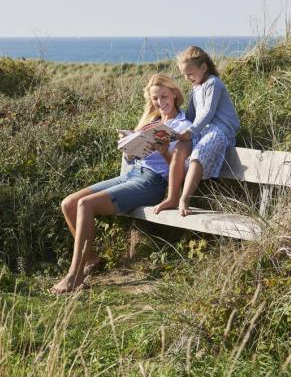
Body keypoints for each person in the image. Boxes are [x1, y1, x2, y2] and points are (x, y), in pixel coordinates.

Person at [51, 74, 192, 294]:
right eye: (155, 98)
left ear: (175, 94)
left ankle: (75, 275)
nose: (160, 102)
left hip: (152, 182)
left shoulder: (183, 126)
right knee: (69, 203)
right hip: (132, 174)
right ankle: (91, 260)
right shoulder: (152, 121)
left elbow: (181, 170)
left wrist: (164, 152)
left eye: (164, 96)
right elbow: (133, 158)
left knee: (85, 205)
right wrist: (128, 146)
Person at [153, 45, 240, 216]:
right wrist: (179, 130)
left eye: (190, 74)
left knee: (198, 153)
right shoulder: (197, 87)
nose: (187, 78)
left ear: (203, 67)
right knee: (180, 149)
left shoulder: (213, 83)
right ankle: (172, 197)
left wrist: (191, 131)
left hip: (220, 131)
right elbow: (192, 114)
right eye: (184, 75)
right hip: (204, 129)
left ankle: (185, 199)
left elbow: (208, 111)